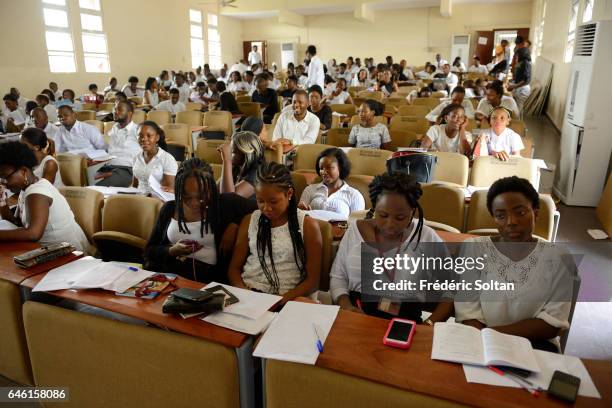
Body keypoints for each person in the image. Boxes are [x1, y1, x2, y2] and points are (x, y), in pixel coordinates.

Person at [455, 176, 574, 351]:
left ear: (536, 213)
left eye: (520, 212)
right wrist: (486, 341)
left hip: (534, 346)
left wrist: (490, 335)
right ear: (494, 218)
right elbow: (467, 311)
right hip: (481, 344)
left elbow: (552, 323)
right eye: (501, 215)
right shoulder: (474, 249)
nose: (511, 222)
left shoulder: (559, 257)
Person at [329, 172, 453, 323]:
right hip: (356, 318)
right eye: (383, 215)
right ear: (374, 207)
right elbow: (338, 277)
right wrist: (346, 306)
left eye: (400, 218)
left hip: (405, 324)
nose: (390, 224)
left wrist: (430, 323)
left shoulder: (426, 237)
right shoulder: (355, 231)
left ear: (412, 212)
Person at [144, 158, 257, 283]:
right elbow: (149, 251)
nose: (194, 203)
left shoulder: (226, 204)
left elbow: (262, 208)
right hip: (171, 277)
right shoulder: (169, 208)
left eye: (201, 196)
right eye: (186, 197)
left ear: (211, 188)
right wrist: (171, 251)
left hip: (209, 281)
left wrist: (235, 224)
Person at [228, 162, 322, 301]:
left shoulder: (308, 226)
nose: (266, 208)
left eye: (273, 201)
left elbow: (312, 281)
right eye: (260, 201)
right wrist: (244, 293)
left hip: (287, 297)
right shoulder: (250, 220)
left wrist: (278, 300)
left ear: (289, 193)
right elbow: (234, 269)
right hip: (248, 293)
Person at [0, 141, 88, 251]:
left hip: (70, 252)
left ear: (23, 172)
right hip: (48, 249)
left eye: (5, 177)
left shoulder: (37, 193)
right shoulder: (26, 189)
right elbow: (16, 223)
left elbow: (33, 234)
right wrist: (2, 202)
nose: (3, 182)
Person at [298, 148, 365, 218]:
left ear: (341, 168)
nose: (324, 172)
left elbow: (355, 225)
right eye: (321, 168)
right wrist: (302, 214)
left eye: (329, 167)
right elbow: (299, 219)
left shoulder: (354, 195)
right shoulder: (310, 190)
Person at [96, 101, 141, 187]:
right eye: (115, 109)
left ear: (129, 113)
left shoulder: (138, 130)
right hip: (107, 167)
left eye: (119, 109)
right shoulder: (114, 128)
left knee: (96, 188)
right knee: (83, 179)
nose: (115, 112)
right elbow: (106, 147)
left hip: (126, 170)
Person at [132, 121, 177, 195]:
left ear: (157, 138)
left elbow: (168, 191)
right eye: (140, 136)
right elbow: (135, 186)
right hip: (137, 198)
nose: (143, 139)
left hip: (156, 200)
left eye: (149, 136)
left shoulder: (167, 159)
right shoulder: (136, 158)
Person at [217, 130, 265, 200]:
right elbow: (217, 189)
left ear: (246, 154)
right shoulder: (237, 167)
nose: (230, 154)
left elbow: (229, 200)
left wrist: (227, 161)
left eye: (233, 152)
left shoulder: (258, 173)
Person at [507, 47, 532, 117]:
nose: (516, 56)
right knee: (517, 108)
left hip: (523, 89)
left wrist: (514, 86)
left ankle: (517, 126)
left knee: (517, 109)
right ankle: (518, 124)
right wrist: (512, 81)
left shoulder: (526, 63)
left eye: (517, 54)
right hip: (519, 87)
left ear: (522, 54)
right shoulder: (521, 63)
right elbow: (519, 76)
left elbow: (525, 80)